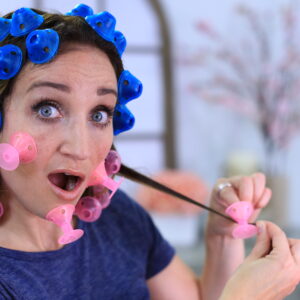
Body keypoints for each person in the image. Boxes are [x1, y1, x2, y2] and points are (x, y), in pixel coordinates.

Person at [0, 4, 298, 300]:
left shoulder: (115, 218)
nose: (80, 148)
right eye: (47, 109)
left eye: (99, 114)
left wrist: (222, 237)